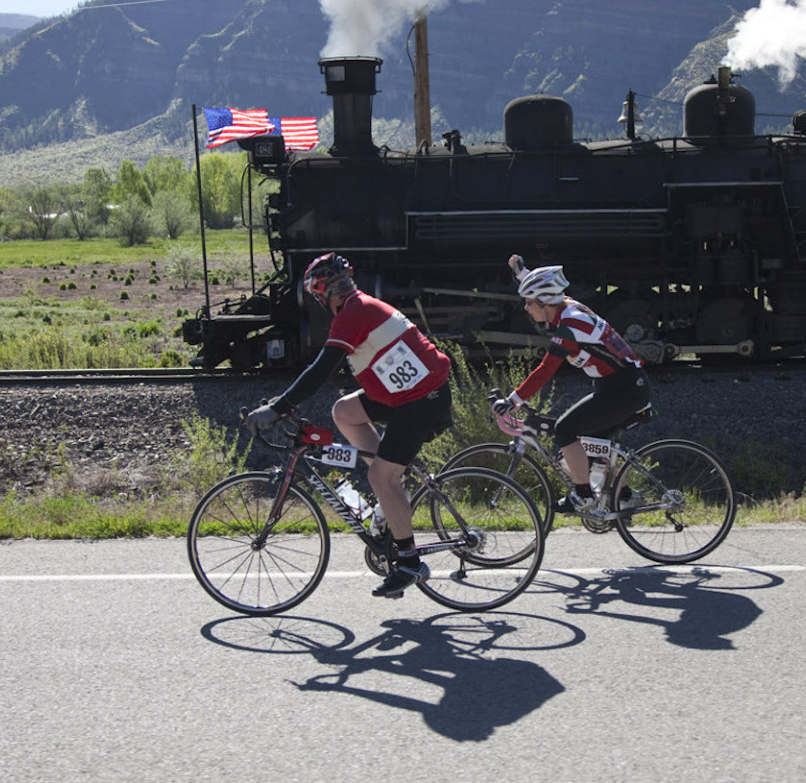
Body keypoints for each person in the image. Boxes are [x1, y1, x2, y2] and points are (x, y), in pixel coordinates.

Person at [245, 252, 452, 598]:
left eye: (317, 296)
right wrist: (283, 403)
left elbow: (321, 370)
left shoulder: (354, 313)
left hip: (421, 399)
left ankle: (409, 562)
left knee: (379, 476)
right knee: (344, 411)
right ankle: (393, 489)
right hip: (408, 394)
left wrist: (278, 408)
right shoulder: (359, 307)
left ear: (324, 293)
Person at [491, 255, 650, 515]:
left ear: (544, 302)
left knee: (565, 429)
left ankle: (583, 495)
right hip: (621, 385)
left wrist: (512, 400)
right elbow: (544, 288)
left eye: (529, 302)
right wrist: (522, 274)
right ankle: (625, 496)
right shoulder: (565, 306)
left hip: (623, 390)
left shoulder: (571, 327)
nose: (526, 308)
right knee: (591, 449)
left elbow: (545, 371)